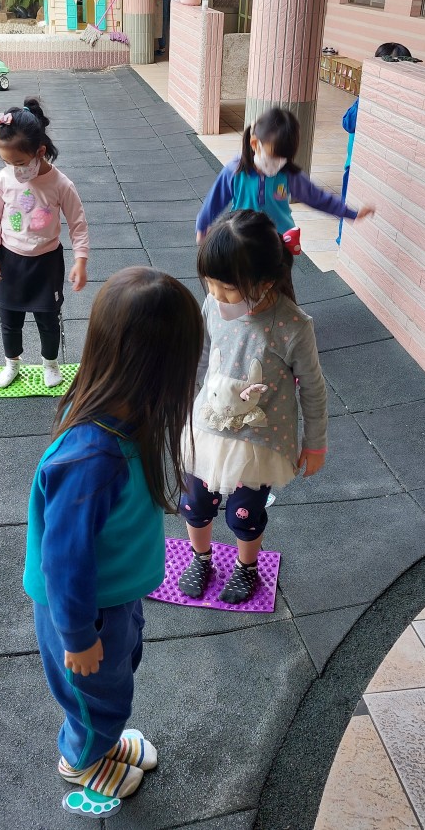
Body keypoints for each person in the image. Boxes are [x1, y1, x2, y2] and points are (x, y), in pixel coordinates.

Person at [25, 266, 204, 814]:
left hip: (111, 597)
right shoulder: (90, 457)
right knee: (94, 693)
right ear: (159, 368)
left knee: (113, 679)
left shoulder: (125, 418)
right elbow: (64, 561)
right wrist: (78, 635)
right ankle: (80, 758)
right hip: (85, 610)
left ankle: (100, 738)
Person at [177, 209, 330, 604]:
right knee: (195, 504)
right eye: (210, 284)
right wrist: (183, 407)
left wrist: (315, 444)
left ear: (265, 282)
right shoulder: (213, 305)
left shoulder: (293, 326)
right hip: (208, 430)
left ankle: (246, 567)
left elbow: (313, 388)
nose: (215, 295)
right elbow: (200, 358)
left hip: (258, 443)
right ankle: (201, 558)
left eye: (227, 288)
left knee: (243, 514)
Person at [0, 98, 89, 390]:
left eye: (19, 163)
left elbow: (78, 223)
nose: (14, 169)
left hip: (46, 263)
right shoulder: (3, 180)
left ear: (40, 152)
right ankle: (12, 364)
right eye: (7, 162)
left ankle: (50, 364)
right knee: (9, 319)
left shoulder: (60, 184)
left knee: (48, 319)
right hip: (10, 261)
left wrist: (80, 261)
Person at [196, 107, 374, 244]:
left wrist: (349, 213)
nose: (278, 162)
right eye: (274, 156)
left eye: (284, 157)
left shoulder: (289, 174)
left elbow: (317, 197)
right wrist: (202, 225)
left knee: (276, 279)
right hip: (242, 238)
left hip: (278, 240)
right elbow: (215, 199)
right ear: (255, 144)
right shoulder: (234, 170)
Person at [337, 42, 411, 242]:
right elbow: (348, 123)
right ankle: (342, 240)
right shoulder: (368, 96)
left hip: (383, 170)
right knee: (349, 205)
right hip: (355, 166)